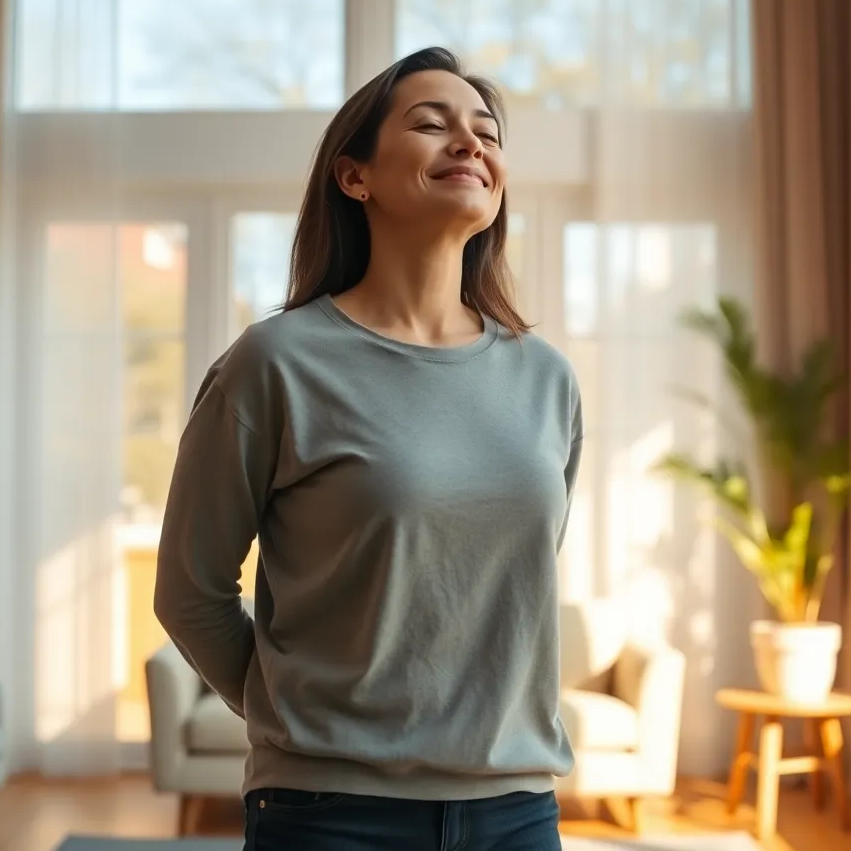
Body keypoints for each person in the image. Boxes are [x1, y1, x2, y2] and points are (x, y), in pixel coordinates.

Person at [154, 46, 583, 851]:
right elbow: (190, 589)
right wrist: (299, 716)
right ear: (355, 177)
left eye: (486, 133)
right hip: (329, 812)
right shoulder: (274, 363)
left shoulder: (547, 378)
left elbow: (512, 581)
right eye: (432, 124)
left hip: (518, 809)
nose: (471, 144)